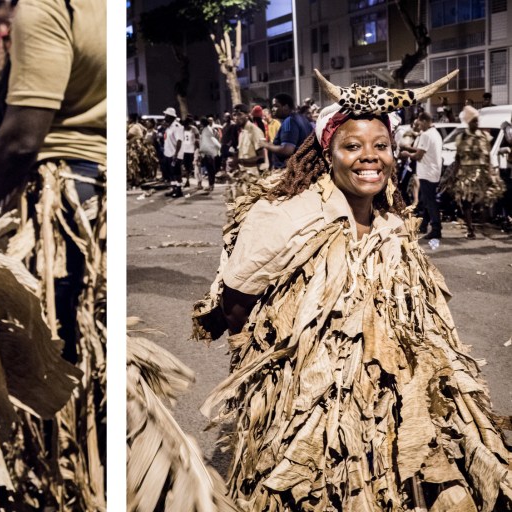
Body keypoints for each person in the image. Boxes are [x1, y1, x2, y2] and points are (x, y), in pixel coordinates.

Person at [192, 70, 512, 511]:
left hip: (390, 412)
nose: (370, 157)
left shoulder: (394, 224)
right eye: (353, 146)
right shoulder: (288, 217)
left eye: (380, 146)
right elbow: (235, 305)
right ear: (328, 152)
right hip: (309, 417)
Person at [0, 0, 106, 506]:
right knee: (91, 363)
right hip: (95, 204)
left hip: (64, 204)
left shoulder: (48, 7)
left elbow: (23, 138)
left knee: (46, 365)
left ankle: (54, 486)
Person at [441, 105, 503, 239]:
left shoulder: (485, 136)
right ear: (468, 122)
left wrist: (491, 173)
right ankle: (470, 229)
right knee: (466, 203)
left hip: (481, 173)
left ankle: (482, 225)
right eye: (474, 121)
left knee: (483, 201)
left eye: (477, 120)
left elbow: (488, 157)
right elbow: (458, 158)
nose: (477, 123)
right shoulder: (462, 137)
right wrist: (453, 175)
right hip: (465, 175)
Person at [403, 111, 444, 245]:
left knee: (430, 201)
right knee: (425, 200)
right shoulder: (435, 133)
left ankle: (436, 228)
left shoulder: (426, 135)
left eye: (420, 123)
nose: (419, 126)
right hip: (433, 172)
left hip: (427, 173)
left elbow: (418, 156)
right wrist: (409, 149)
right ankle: (424, 225)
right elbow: (421, 151)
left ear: (425, 121)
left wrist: (406, 153)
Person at [261, 92, 311, 169]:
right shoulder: (302, 118)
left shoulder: (289, 121)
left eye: (276, 106)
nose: (272, 109)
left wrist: (265, 145)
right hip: (302, 167)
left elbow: (287, 150)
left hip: (289, 171)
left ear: (286, 106)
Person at [197, 116, 221, 192]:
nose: (200, 124)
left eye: (201, 123)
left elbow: (204, 143)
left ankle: (211, 185)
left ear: (203, 123)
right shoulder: (207, 129)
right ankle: (211, 185)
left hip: (208, 153)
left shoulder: (205, 131)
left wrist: (201, 151)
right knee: (210, 170)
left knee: (210, 170)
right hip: (210, 152)